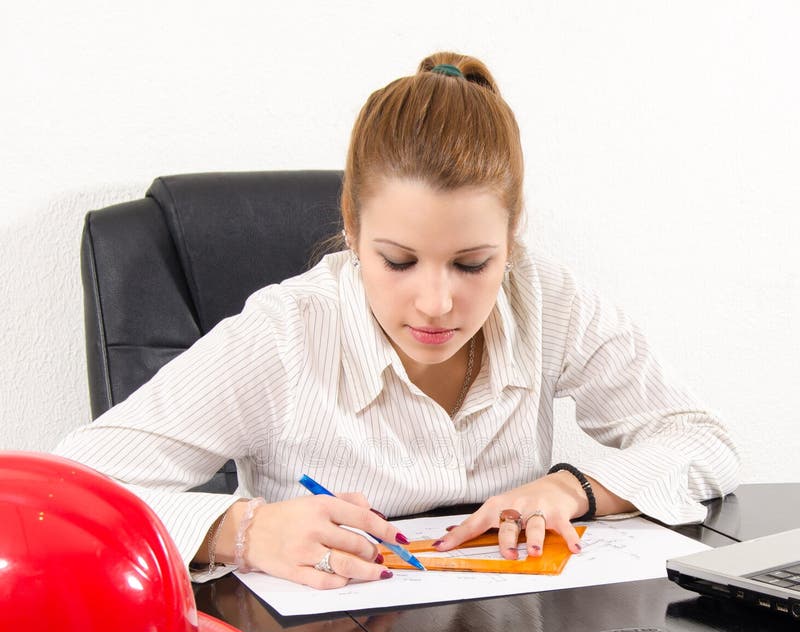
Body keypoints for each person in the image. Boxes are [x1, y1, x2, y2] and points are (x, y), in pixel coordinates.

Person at [55, 52, 740, 590]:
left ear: (512, 236)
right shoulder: (283, 336)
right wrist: (239, 530)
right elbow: (56, 498)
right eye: (399, 261)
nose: (437, 303)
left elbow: (700, 440)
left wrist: (574, 488)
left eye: (473, 265)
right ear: (352, 229)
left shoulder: (543, 296)